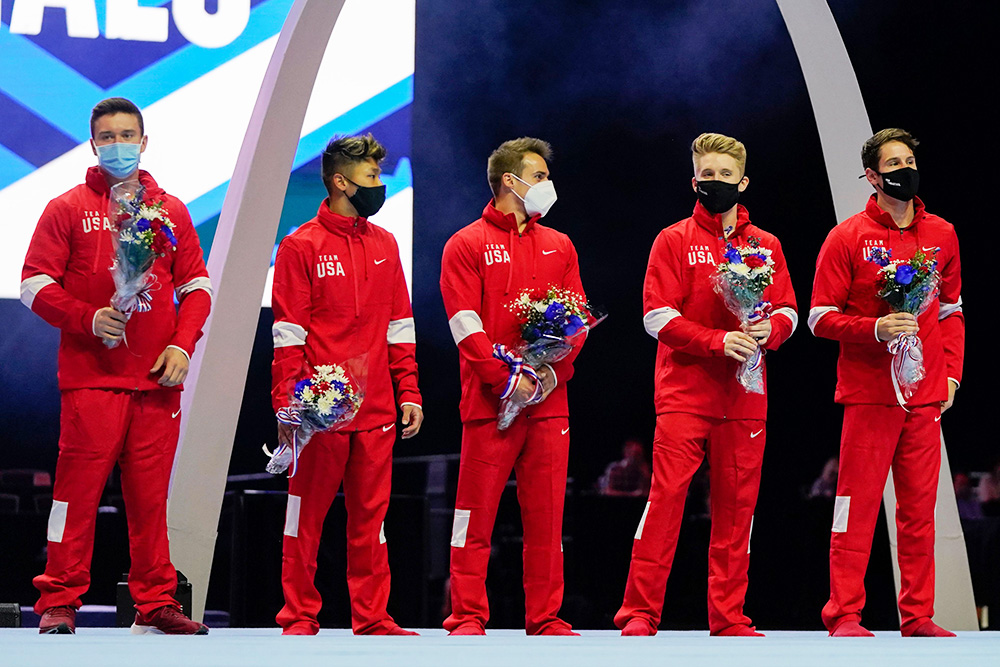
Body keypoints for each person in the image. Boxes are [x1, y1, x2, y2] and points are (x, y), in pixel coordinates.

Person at [21, 97, 212, 635]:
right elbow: (33, 283)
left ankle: (155, 602)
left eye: (127, 135)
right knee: (73, 497)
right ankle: (59, 600)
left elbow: (196, 286)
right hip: (91, 380)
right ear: (93, 143)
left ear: (145, 141)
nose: (119, 145)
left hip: (156, 380)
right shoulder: (67, 207)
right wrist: (86, 317)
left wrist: (182, 345)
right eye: (108, 136)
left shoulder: (169, 210)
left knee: (152, 502)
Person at [615, 133, 798, 637]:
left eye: (724, 175)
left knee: (738, 511)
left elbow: (788, 309)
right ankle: (638, 613)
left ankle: (729, 617)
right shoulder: (671, 239)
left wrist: (771, 330)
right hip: (685, 394)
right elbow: (656, 317)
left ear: (742, 181)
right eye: (706, 174)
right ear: (694, 180)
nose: (714, 182)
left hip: (746, 395)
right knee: (665, 502)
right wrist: (718, 341)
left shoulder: (767, 245)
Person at [810, 128, 964, 637]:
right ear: (872, 176)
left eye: (910, 160)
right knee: (855, 507)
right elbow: (818, 317)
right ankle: (845, 615)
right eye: (893, 163)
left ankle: (918, 616)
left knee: (919, 512)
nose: (905, 169)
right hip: (869, 393)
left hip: (924, 396)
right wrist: (873, 328)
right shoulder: (847, 236)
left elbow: (951, 310)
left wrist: (952, 374)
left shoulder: (942, 233)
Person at [270, 133, 423, 636]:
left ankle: (373, 617)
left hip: (377, 409)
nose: (379, 185)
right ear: (340, 181)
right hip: (321, 412)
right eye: (372, 177)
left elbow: (400, 325)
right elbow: (289, 333)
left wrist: (410, 391)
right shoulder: (300, 246)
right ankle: (298, 615)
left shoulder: (386, 244)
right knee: (304, 519)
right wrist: (289, 405)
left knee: (371, 521)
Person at [440, 137, 586, 636]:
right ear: (510, 181)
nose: (548, 185)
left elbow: (579, 323)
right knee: (473, 516)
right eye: (540, 176)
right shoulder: (465, 243)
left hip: (549, 404)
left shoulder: (559, 245)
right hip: (489, 402)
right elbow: (464, 324)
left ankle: (545, 616)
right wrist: (507, 381)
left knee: (547, 519)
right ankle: (466, 615)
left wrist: (545, 376)